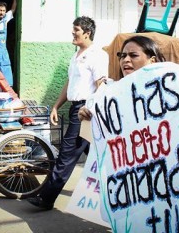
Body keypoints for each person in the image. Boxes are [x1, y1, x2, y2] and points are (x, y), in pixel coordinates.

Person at [27, 16, 108, 211]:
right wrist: (55, 106)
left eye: (76, 30)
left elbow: (102, 85)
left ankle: (46, 198)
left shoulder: (97, 54)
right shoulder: (76, 55)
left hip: (85, 112)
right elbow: (69, 83)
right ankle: (113, 191)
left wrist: (91, 109)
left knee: (67, 154)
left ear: (87, 33)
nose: (73, 33)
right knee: (99, 156)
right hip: (75, 109)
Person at [77, 35, 167, 121]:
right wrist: (87, 114)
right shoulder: (109, 91)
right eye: (123, 56)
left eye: (133, 55)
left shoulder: (166, 93)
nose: (125, 60)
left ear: (152, 61)